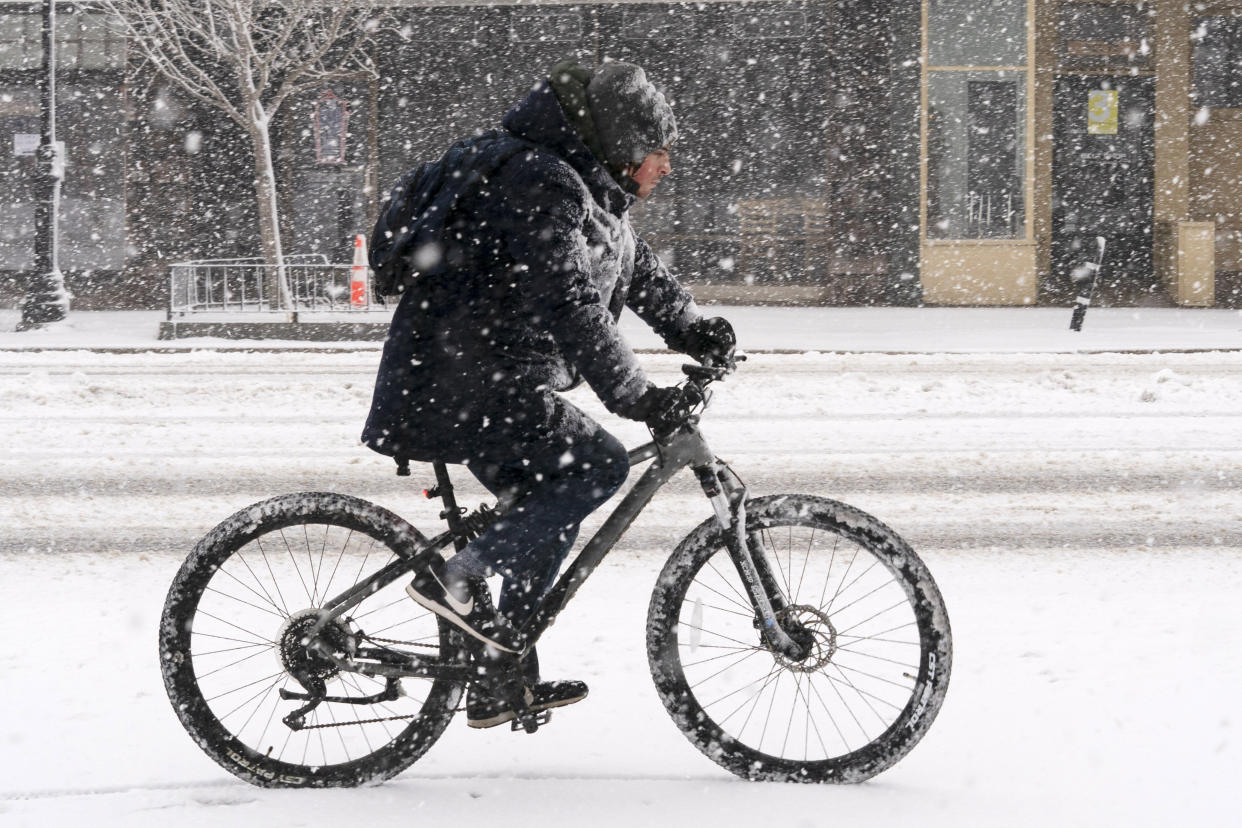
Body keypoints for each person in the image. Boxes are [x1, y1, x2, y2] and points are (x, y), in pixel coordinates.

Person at [362, 59, 736, 728]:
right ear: (622, 146)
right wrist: (637, 396)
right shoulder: (541, 182)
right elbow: (568, 301)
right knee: (598, 465)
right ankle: (454, 579)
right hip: (459, 378)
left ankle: (497, 675)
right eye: (657, 150)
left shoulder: (586, 189)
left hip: (485, 376)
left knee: (549, 501)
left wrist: (694, 328)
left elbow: (632, 269)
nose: (666, 164)